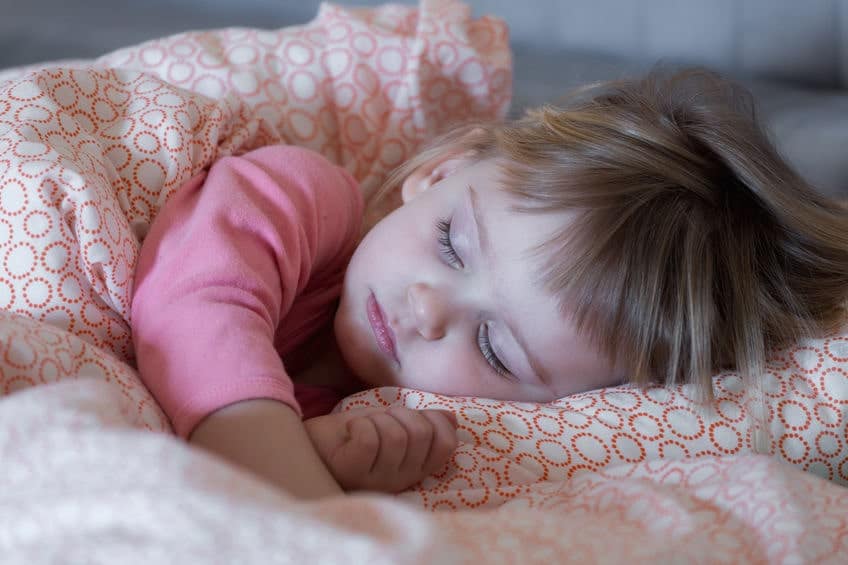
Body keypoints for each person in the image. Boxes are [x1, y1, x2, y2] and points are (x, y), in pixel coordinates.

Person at [130, 67, 848, 499]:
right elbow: (191, 311)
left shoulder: (404, 421)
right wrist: (313, 507)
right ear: (439, 171)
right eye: (452, 242)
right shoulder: (301, 196)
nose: (428, 305)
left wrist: (333, 454)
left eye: (498, 350)